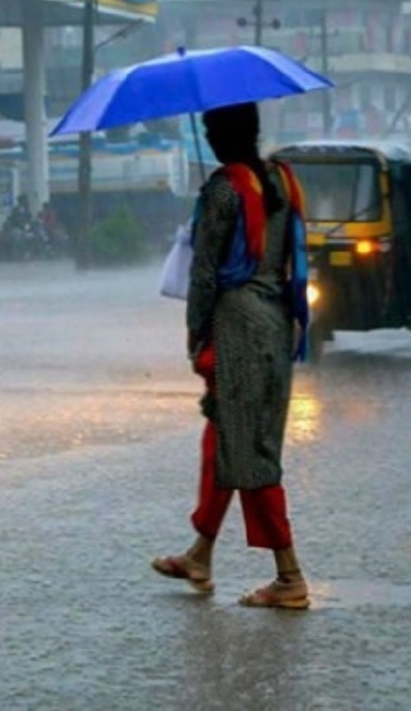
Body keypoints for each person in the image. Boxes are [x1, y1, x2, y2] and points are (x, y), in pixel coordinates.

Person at [150, 101, 312, 610]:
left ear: (222, 135)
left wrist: (196, 331)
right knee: (225, 439)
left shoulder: (223, 189)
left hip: (237, 326)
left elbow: (203, 272)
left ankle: (289, 576)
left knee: (248, 452)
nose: (209, 137)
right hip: (276, 321)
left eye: (209, 128)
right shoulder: (283, 181)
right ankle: (201, 552)